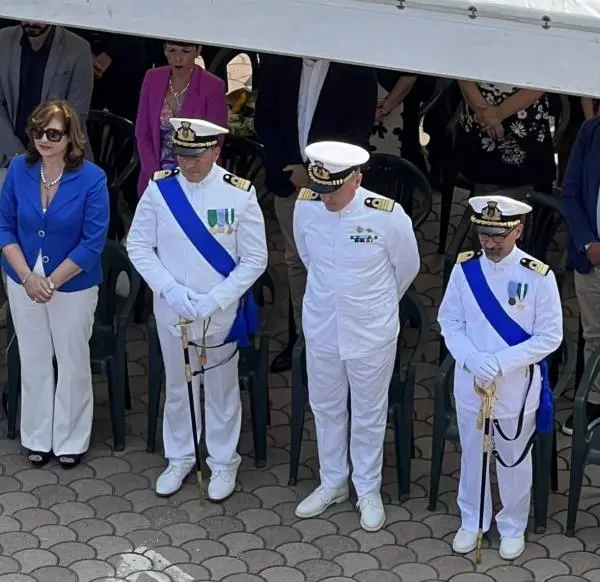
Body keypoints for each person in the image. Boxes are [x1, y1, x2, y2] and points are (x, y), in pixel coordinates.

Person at [127, 118, 268, 500]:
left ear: (216, 151)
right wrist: (169, 289)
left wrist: (217, 298)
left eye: (197, 155)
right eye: (182, 154)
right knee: (179, 384)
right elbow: (138, 246)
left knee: (221, 388)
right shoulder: (160, 190)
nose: (188, 164)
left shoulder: (239, 194)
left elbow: (256, 259)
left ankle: (223, 462)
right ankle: (180, 455)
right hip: (173, 307)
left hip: (219, 310)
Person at [292, 140, 420, 532]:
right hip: (323, 327)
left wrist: (371, 307)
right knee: (327, 406)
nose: (327, 198)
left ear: (357, 179)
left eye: (335, 190)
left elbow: (407, 269)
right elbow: (307, 258)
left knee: (367, 413)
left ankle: (367, 488)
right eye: (323, 189)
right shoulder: (307, 206)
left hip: (370, 331)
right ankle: (333, 481)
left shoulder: (387, 215)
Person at [438, 195, 562, 560]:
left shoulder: (538, 276)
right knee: (473, 455)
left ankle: (512, 525)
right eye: (484, 235)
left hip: (515, 386)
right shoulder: (465, 270)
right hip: (471, 380)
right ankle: (472, 520)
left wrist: (501, 361)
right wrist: (472, 357)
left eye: (498, 236)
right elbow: (450, 321)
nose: (489, 243)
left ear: (517, 231)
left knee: (511, 459)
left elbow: (549, 336)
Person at [0, 100, 109, 468]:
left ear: (70, 138)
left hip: (73, 284)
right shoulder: (18, 169)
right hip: (22, 278)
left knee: (72, 359)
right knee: (32, 359)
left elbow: (93, 242)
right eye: (37, 131)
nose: (43, 139)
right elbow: (4, 227)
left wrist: (51, 281)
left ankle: (71, 438)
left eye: (53, 133)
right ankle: (36, 435)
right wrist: (28, 278)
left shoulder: (93, 178)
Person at [254, 54, 378, 373]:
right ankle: (302, 342)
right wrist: (290, 169)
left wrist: (317, 174)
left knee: (333, 263)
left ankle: (337, 346)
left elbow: (358, 130)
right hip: (290, 184)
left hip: (335, 188)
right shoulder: (279, 62)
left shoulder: (356, 69)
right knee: (296, 263)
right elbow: (265, 119)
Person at [135, 41, 228, 197]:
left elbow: (216, 140)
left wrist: (188, 176)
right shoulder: (152, 78)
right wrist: (155, 175)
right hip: (154, 174)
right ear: (164, 50)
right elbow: (143, 133)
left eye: (185, 52)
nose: (178, 58)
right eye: (172, 50)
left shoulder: (213, 86)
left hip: (197, 177)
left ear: (198, 51)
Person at [0, 21, 94, 161]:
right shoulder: (3, 40)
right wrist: (17, 155)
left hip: (61, 156)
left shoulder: (79, 49)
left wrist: (44, 158)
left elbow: (76, 116)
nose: (31, 21)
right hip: (7, 154)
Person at [561, 115, 600, 433]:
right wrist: (589, 244)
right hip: (593, 259)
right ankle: (596, 401)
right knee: (595, 336)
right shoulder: (592, 131)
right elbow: (570, 194)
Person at [456, 82, 556, 194]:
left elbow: (540, 82)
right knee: (483, 187)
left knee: (519, 193)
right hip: (478, 117)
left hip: (523, 121)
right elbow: (462, 74)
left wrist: (496, 114)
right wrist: (483, 112)